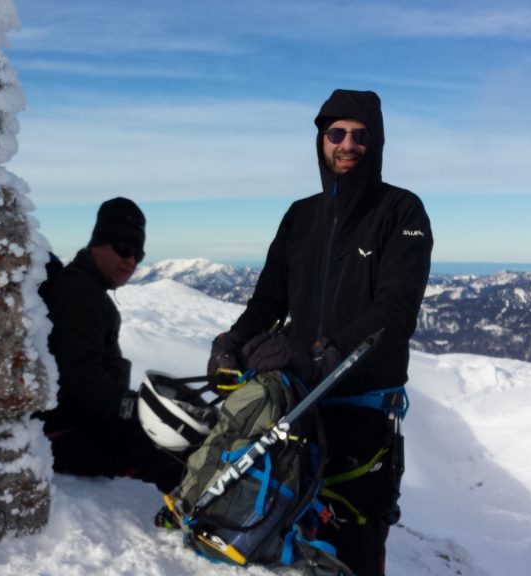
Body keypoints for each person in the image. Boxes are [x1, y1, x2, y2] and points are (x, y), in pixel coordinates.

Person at [207, 90, 433, 575]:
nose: (347, 144)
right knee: (285, 535)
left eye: (360, 135)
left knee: (353, 548)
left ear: (376, 142)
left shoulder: (401, 211)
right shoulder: (300, 216)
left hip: (364, 415)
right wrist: (232, 342)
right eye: (336, 134)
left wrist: (329, 355)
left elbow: (395, 308)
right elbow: (269, 300)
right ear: (321, 140)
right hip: (294, 406)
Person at [38, 197, 182, 493]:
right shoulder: (80, 293)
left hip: (74, 423)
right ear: (97, 244)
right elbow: (78, 377)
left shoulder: (85, 288)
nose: (130, 260)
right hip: (67, 432)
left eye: (137, 254)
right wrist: (131, 409)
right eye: (122, 247)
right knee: (173, 450)